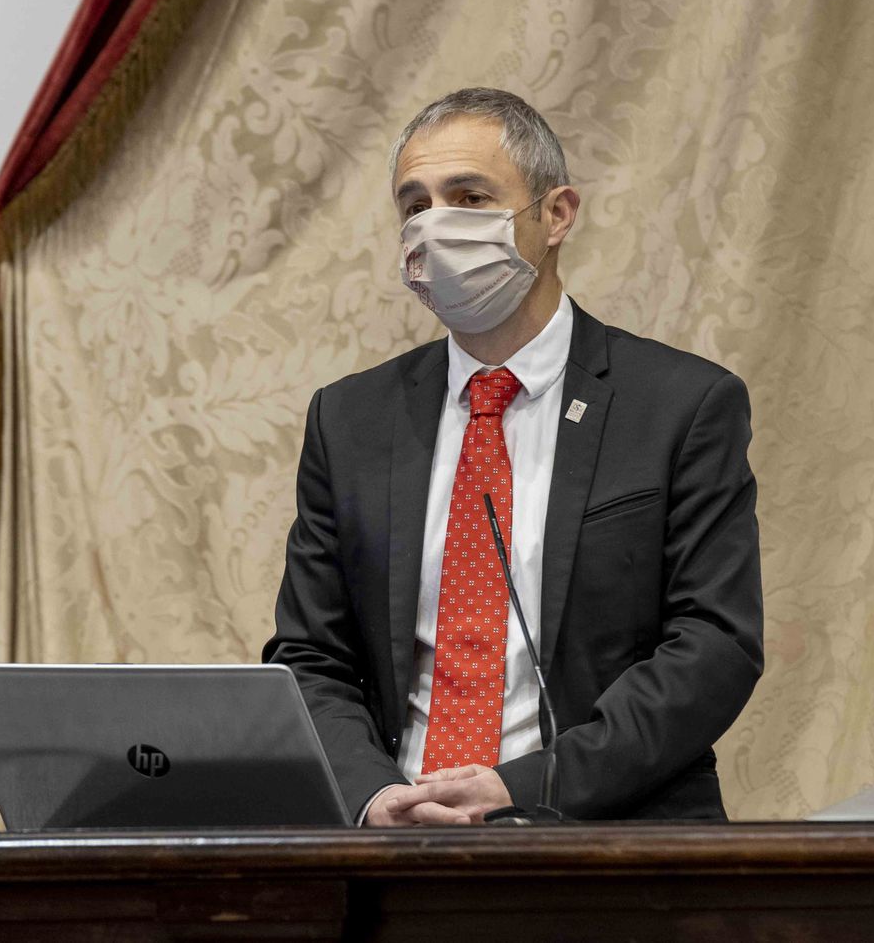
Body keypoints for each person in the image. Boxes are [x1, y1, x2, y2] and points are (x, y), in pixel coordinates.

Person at [264, 88, 764, 825]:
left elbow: (714, 645)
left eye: (469, 198)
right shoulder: (350, 419)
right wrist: (375, 797)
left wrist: (525, 787)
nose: (435, 225)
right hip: (399, 844)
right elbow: (311, 658)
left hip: (607, 840)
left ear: (556, 215)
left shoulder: (681, 406)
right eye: (414, 205)